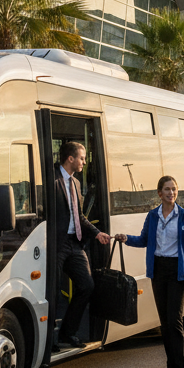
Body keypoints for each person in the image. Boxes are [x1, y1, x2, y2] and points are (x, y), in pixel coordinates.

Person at [114, 176, 184, 368]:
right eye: (167, 189)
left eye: (174, 189)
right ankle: (170, 367)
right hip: (158, 270)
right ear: (159, 193)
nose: (171, 193)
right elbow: (145, 240)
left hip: (177, 272)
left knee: (174, 319)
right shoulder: (153, 216)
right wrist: (127, 238)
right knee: (164, 321)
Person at [53, 141, 110, 351]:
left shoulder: (76, 184)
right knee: (51, 291)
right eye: (82, 158)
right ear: (71, 159)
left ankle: (68, 333)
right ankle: (49, 341)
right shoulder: (53, 181)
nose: (84, 162)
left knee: (86, 286)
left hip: (74, 244)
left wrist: (96, 234)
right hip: (56, 245)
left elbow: (80, 217)